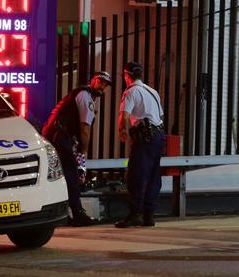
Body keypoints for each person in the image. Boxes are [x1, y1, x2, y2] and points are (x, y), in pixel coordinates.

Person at [42, 71, 112, 226]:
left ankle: (64, 214)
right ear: (93, 80)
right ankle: (77, 214)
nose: (103, 87)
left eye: (106, 85)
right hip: (59, 137)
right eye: (101, 82)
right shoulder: (85, 96)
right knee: (71, 175)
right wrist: (83, 151)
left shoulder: (83, 94)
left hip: (55, 136)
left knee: (61, 175)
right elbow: (85, 128)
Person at [115, 62, 165, 228]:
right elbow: (160, 115)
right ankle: (149, 216)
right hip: (158, 135)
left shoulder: (131, 92)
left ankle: (135, 214)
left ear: (126, 75)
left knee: (137, 175)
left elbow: (125, 116)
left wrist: (122, 131)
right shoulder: (152, 91)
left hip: (144, 137)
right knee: (153, 175)